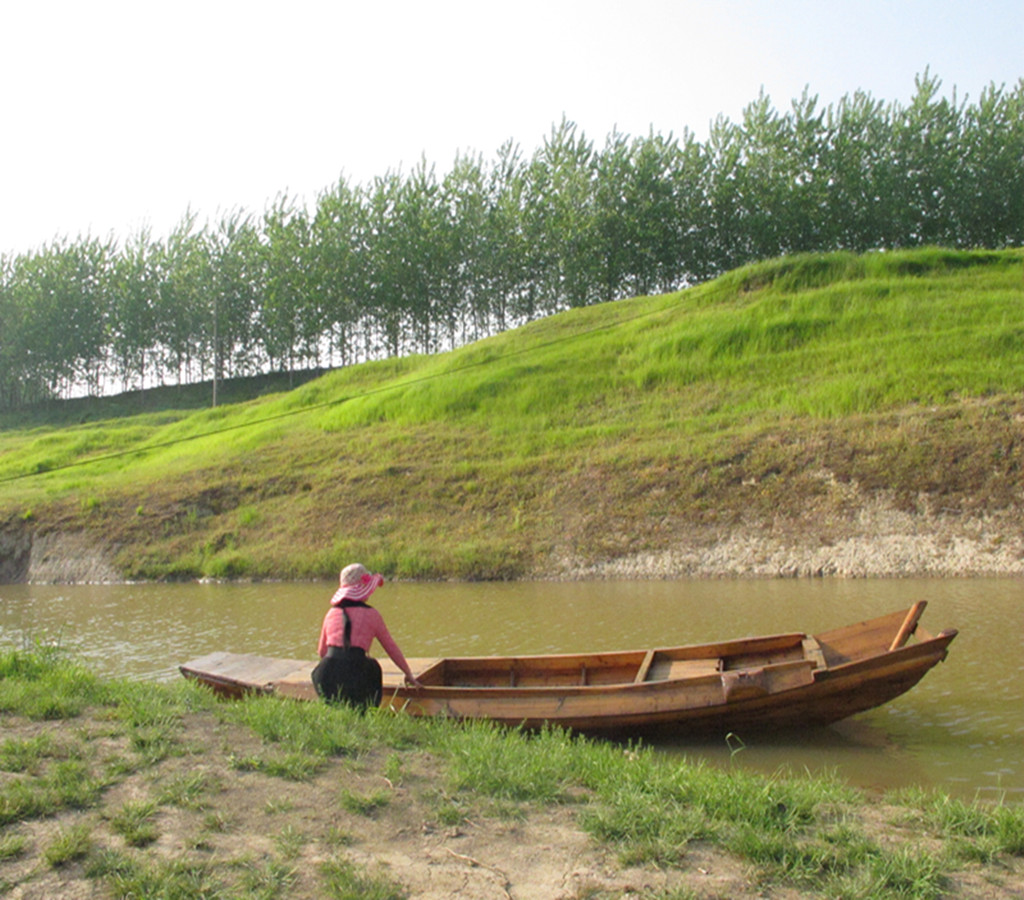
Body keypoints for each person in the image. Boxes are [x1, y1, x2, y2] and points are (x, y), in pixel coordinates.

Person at [311, 563, 422, 710]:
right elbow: (391, 648)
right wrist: (408, 674)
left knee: (335, 707)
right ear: (364, 590)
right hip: (358, 674)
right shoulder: (372, 615)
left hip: (326, 675)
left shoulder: (331, 613)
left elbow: (322, 652)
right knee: (373, 668)